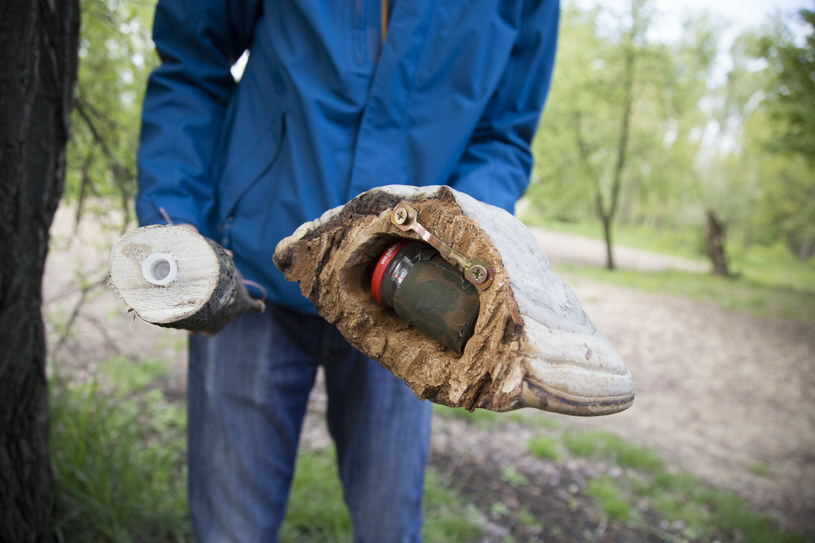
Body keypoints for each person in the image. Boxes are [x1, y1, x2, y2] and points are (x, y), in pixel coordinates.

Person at [136, 0, 560, 541]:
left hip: (407, 298)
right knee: (230, 527)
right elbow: (192, 54)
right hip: (254, 268)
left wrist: (457, 251)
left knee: (389, 524)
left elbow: (504, 135)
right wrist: (175, 222)